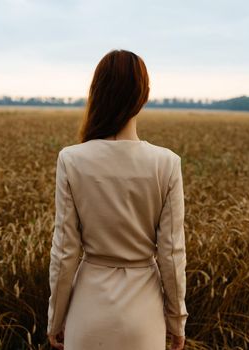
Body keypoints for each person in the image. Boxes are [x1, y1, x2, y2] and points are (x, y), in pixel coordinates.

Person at [46, 49, 188, 350]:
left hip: (88, 313)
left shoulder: (71, 160)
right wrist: (177, 320)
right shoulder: (166, 163)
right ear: (144, 96)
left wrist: (55, 319)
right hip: (144, 318)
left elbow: (64, 252)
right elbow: (172, 255)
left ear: (96, 93)